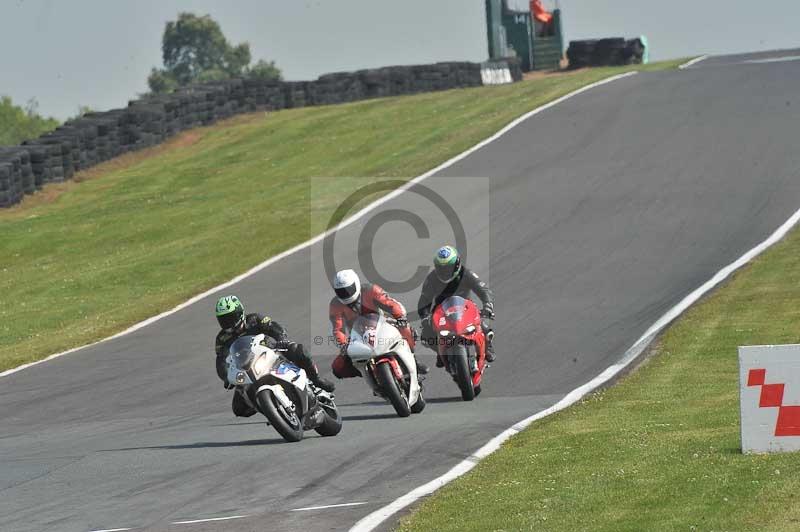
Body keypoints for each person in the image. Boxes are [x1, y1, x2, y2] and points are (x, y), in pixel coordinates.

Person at [214, 295, 335, 418]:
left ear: (240, 313)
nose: (228, 322)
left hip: (270, 351)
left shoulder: (255, 319)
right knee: (238, 408)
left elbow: (274, 327)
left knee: (298, 350)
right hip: (246, 368)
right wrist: (226, 377)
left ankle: (316, 379)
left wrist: (281, 339)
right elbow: (221, 361)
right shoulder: (222, 339)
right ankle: (270, 409)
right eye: (224, 320)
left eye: (231, 317)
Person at [329, 269, 429, 379]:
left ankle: (413, 360)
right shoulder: (335, 304)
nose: (346, 293)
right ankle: (369, 374)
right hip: (358, 336)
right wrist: (344, 343)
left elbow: (390, 303)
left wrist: (400, 316)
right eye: (341, 291)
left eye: (348, 289)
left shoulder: (370, 289)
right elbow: (337, 329)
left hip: (382, 325)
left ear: (356, 283)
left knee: (405, 328)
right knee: (338, 368)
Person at [417, 246, 496, 365]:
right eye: (441, 268)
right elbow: (424, 300)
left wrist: (487, 305)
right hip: (441, 311)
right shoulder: (431, 278)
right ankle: (441, 352)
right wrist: (425, 317)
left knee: (482, 326)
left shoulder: (466, 273)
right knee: (426, 335)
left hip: (465, 307)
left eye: (448, 268)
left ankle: (487, 347)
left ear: (457, 264)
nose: (445, 272)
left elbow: (483, 289)